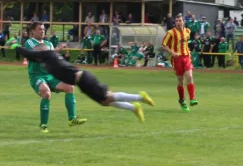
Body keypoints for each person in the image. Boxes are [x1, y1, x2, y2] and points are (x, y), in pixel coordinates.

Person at [16, 45, 153, 125]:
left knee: (108, 96)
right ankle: (134, 108)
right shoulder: (49, 59)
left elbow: (29, 53)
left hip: (84, 79)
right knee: (104, 102)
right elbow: (32, 56)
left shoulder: (49, 55)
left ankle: (140, 97)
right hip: (82, 82)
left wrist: (15, 46)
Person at [25, 22, 84, 133]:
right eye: (39, 29)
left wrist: (63, 58)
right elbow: (41, 53)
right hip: (37, 75)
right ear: (33, 31)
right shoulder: (30, 42)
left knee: (69, 87)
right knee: (46, 93)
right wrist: (57, 50)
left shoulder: (49, 43)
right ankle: (43, 125)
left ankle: (72, 119)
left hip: (50, 75)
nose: (42, 31)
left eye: (43, 29)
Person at [162, 14, 198, 112]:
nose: (178, 22)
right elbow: (163, 45)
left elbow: (186, 43)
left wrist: (188, 52)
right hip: (176, 59)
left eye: (180, 20)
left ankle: (192, 99)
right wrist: (172, 53)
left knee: (190, 77)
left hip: (186, 57)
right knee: (181, 81)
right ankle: (182, 101)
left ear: (183, 21)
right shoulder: (171, 33)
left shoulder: (188, 31)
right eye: (176, 21)